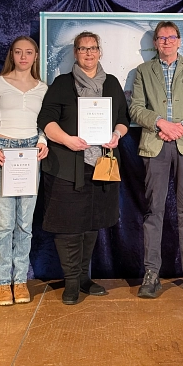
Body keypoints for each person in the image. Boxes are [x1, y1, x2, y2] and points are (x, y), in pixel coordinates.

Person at [38, 32, 129, 305]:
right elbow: (46, 120)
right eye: (82, 49)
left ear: (100, 52)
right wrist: (67, 140)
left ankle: (84, 277)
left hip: (102, 167)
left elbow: (123, 119)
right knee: (69, 228)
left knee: (91, 225)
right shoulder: (62, 84)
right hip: (67, 168)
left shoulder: (111, 83)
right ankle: (71, 282)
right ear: (75, 53)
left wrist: (117, 135)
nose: (88, 53)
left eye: (92, 48)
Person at [130, 21, 183, 299]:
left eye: (171, 37)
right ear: (155, 43)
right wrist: (159, 123)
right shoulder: (143, 71)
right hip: (155, 145)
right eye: (161, 38)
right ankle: (151, 273)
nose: (166, 41)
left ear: (179, 41)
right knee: (154, 211)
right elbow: (135, 108)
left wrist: (182, 127)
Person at [0, 36, 49, 306]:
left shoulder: (43, 88)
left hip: (31, 153)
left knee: (25, 223)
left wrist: (42, 141)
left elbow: (45, 122)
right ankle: (1, 282)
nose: (23, 56)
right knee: (4, 223)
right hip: (3, 153)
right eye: (19, 52)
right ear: (12, 54)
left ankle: (20, 280)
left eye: (29, 52)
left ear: (35, 56)